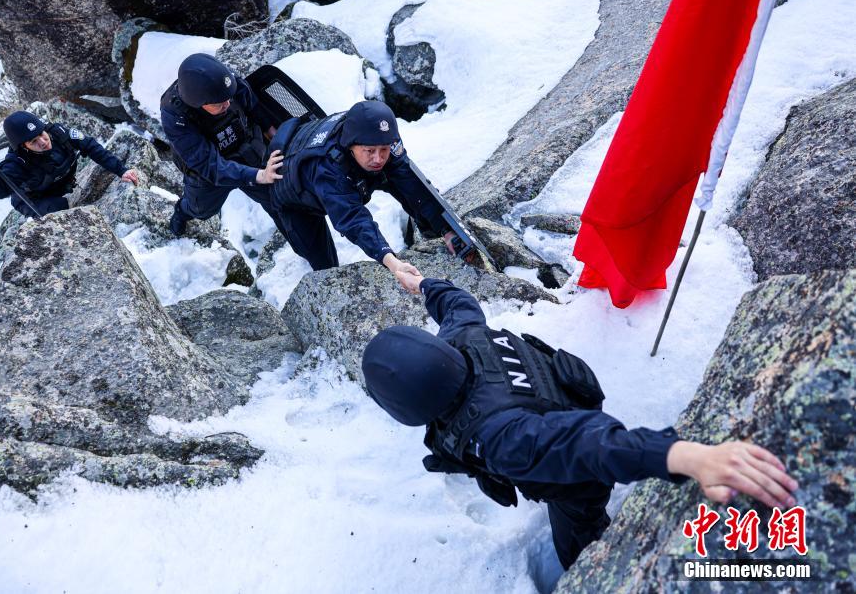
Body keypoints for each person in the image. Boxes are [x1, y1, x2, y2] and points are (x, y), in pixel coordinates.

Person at [361, 272, 799, 575]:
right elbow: (457, 302)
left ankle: (594, 565)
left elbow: (591, 448)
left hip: (576, 471)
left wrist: (687, 456)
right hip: (560, 407)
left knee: (579, 543)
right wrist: (422, 284)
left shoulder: (504, 438)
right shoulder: (464, 339)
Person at [266, 99, 460, 285]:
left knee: (401, 179)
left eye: (383, 149)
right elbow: (354, 221)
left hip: (354, 172)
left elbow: (411, 182)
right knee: (325, 265)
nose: (378, 158)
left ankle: (433, 231)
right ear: (352, 144)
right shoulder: (327, 170)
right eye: (370, 151)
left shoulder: (383, 136)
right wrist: (392, 262)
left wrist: (446, 228)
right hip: (295, 201)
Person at [160, 53, 286, 237]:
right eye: (219, 104)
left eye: (229, 98)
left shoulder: (224, 84)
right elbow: (209, 165)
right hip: (208, 171)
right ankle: (182, 211)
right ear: (199, 103)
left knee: (278, 200)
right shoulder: (176, 116)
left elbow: (253, 106)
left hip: (246, 149)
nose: (228, 104)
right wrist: (259, 175)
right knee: (201, 210)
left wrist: (274, 135)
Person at [0, 111, 139, 217]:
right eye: (33, 141)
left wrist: (121, 171)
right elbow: (1, 191)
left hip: (62, 185)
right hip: (35, 200)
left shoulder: (58, 133)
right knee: (63, 209)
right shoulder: (17, 163)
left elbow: (91, 147)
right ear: (24, 147)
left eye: (42, 134)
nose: (43, 142)